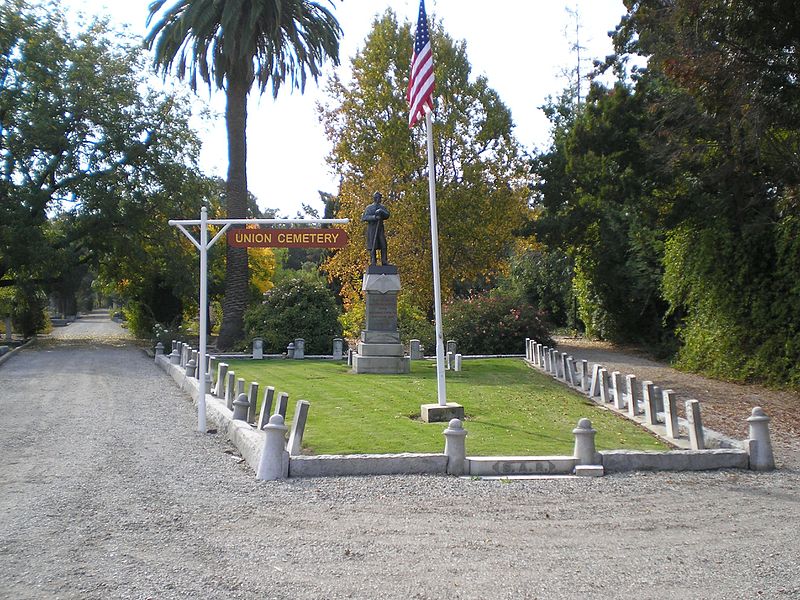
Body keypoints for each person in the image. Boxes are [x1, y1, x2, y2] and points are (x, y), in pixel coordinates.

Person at [361, 191, 390, 265]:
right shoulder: (369, 208)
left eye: (380, 198)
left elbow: (387, 215)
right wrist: (374, 217)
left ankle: (384, 261)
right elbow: (364, 217)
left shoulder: (382, 207)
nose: (379, 199)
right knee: (372, 245)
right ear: (375, 198)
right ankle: (373, 261)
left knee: (383, 244)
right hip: (372, 229)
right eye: (378, 198)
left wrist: (381, 212)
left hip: (380, 228)